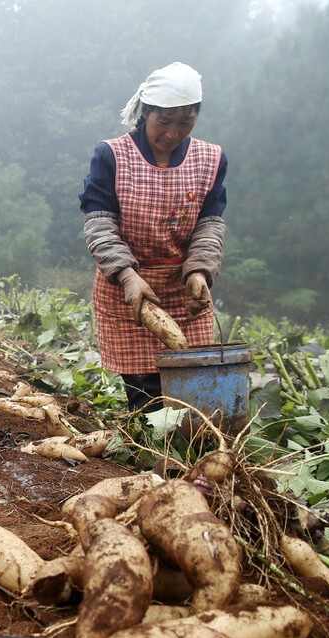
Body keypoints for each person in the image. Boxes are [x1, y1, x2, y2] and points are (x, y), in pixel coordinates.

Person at [79, 61, 228, 412]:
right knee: (148, 399)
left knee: (195, 386)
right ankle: (153, 456)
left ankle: (196, 456)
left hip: (182, 287)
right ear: (145, 112)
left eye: (186, 121)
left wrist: (200, 271)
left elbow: (210, 223)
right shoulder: (111, 155)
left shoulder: (210, 158)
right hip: (127, 289)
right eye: (165, 121)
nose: (174, 133)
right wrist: (128, 276)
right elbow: (99, 222)